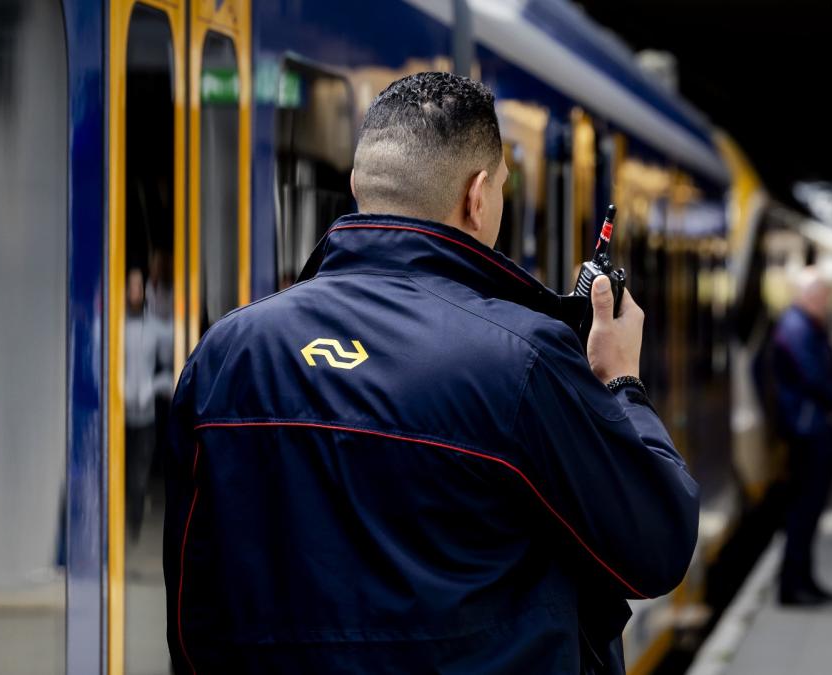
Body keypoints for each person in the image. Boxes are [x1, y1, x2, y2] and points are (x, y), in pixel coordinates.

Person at [163, 72, 698, 675]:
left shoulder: (227, 351)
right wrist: (621, 383)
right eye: (501, 187)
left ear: (356, 186)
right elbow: (656, 550)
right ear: (477, 195)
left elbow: (192, 602)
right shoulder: (520, 361)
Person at [769, 269, 832, 606]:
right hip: (808, 430)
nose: (828, 302)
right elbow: (813, 376)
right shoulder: (797, 329)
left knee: (809, 510)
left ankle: (805, 581)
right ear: (809, 295)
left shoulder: (804, 326)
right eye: (824, 296)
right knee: (804, 509)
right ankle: (793, 586)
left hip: (811, 427)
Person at [124, 268, 172, 544]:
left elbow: (169, 371)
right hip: (117, 417)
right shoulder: (113, 324)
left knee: (138, 478)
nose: (135, 291)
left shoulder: (154, 328)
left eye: (138, 286)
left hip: (144, 416)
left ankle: (134, 531)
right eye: (130, 286)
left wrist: (151, 387)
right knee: (122, 477)